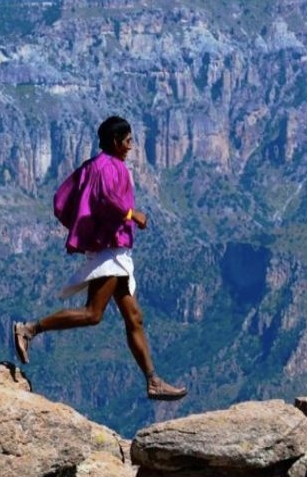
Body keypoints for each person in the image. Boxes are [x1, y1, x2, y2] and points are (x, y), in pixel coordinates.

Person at [13, 115, 187, 401]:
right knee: (93, 314)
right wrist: (133, 214)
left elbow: (64, 199)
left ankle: (153, 381)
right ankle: (30, 328)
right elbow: (107, 198)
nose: (131, 146)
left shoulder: (93, 166)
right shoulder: (109, 167)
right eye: (129, 141)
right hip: (110, 249)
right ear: (117, 142)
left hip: (112, 248)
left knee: (134, 317)